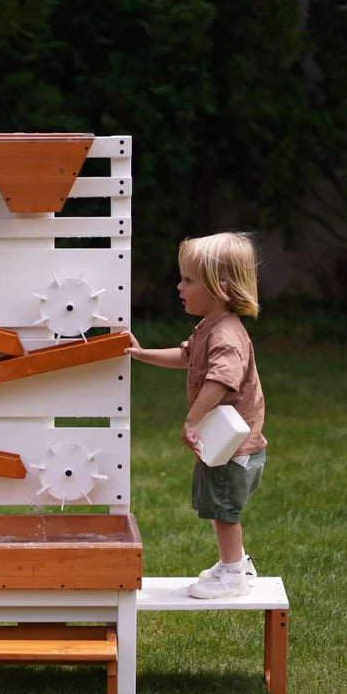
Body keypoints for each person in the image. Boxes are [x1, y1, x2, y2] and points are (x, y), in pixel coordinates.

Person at [125, 232, 267, 598]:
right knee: (219, 506)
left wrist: (192, 420)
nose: (179, 287)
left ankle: (232, 574)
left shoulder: (226, 336)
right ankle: (236, 564)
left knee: (224, 511)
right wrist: (143, 355)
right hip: (223, 444)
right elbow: (188, 356)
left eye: (188, 280)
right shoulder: (210, 327)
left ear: (220, 287)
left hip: (233, 448)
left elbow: (221, 379)